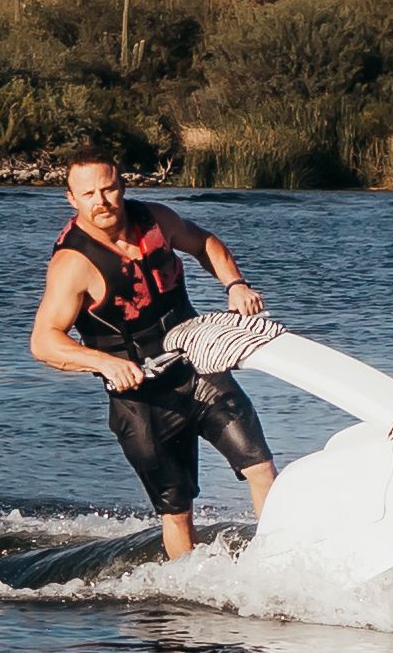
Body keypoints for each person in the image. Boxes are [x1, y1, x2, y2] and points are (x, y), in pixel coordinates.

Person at [29, 155, 274, 557]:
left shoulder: (156, 219)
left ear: (123, 186)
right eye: (88, 194)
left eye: (108, 189)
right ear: (72, 199)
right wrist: (104, 362)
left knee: (260, 467)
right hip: (142, 399)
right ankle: (191, 585)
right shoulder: (73, 263)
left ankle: (277, 559)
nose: (101, 201)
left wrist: (235, 284)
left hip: (197, 367)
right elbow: (44, 341)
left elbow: (203, 242)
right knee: (177, 512)